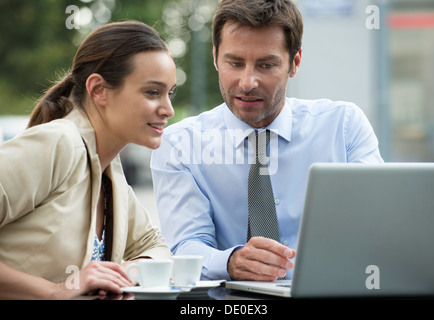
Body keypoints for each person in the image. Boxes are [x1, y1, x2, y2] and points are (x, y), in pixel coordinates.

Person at [151, 0, 383, 282]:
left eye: (266, 65)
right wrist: (231, 261)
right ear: (215, 57)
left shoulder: (343, 126)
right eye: (234, 63)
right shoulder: (179, 145)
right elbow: (185, 245)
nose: (248, 82)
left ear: (294, 63)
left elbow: (376, 228)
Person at [0, 21, 176, 299]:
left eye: (170, 93)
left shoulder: (110, 172)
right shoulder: (58, 143)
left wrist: (128, 272)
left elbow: (155, 247)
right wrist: (57, 290)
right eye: (152, 92)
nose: (169, 109)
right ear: (99, 90)